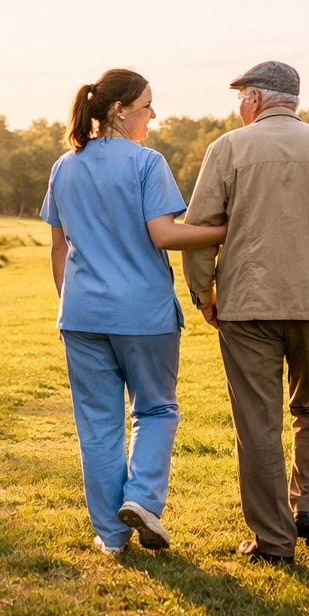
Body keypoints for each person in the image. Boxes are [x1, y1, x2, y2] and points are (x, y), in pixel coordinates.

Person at [184, 61, 309, 564]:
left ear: (254, 98)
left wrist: (202, 294)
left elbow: (198, 227)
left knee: (256, 421)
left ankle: (275, 542)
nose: (239, 107)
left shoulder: (228, 147)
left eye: (241, 97)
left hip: (247, 305)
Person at [42, 69, 227, 558]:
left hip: (81, 315)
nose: (153, 114)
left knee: (97, 424)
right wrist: (227, 230)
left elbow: (58, 248)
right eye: (147, 105)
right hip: (143, 314)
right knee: (156, 408)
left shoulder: (65, 166)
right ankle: (142, 500)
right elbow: (164, 235)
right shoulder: (148, 162)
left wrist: (72, 299)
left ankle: (112, 536)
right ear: (120, 110)